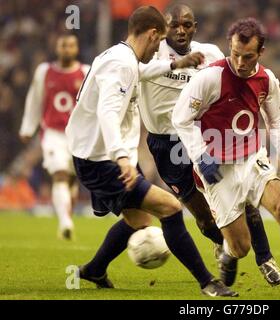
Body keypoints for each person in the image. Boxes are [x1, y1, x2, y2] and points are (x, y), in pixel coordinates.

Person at [65, 6, 237, 297]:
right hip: (103, 160)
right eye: (159, 43)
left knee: (139, 220)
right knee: (170, 208)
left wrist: (175, 65)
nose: (159, 49)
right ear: (153, 34)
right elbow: (108, 113)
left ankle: (94, 269)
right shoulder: (121, 65)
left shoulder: (121, 56)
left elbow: (143, 71)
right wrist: (121, 158)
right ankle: (209, 282)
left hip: (100, 155)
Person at [139, 4, 280, 286]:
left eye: (187, 25)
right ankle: (227, 246)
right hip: (168, 144)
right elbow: (133, 74)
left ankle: (265, 259)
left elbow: (245, 73)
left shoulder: (209, 53)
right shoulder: (151, 54)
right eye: (174, 26)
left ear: (195, 27)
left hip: (208, 136)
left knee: (246, 198)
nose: (181, 30)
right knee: (205, 218)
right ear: (162, 29)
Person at [172, 17, 280, 296]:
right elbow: (181, 118)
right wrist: (201, 157)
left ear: (260, 53)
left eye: (248, 56)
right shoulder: (210, 77)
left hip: (251, 158)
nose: (240, 61)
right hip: (217, 168)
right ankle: (228, 253)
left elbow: (278, 120)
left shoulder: (266, 79)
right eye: (235, 54)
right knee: (241, 247)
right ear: (229, 47)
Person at [19, 33, 90, 240]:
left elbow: (92, 104)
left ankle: (66, 217)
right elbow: (35, 99)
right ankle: (65, 223)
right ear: (56, 47)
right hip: (53, 133)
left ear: (76, 49)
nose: (67, 49)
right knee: (59, 174)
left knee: (71, 181)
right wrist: (27, 127)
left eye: (70, 46)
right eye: (63, 45)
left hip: (78, 135)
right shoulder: (44, 71)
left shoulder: (85, 72)